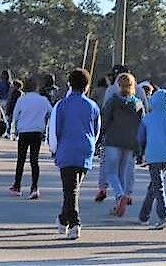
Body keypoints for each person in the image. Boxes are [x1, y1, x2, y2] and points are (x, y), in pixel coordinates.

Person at [49, 68, 101, 240]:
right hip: (85, 149)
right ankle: (63, 219)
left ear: (69, 84)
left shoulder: (61, 105)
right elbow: (97, 130)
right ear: (87, 86)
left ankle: (74, 222)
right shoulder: (93, 106)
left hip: (67, 149)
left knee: (70, 189)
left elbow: (54, 130)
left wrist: (54, 150)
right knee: (73, 188)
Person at [137, 89, 166, 230]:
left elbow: (140, 138)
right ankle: (144, 215)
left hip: (153, 155)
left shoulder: (147, 119)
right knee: (155, 186)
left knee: (158, 186)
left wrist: (141, 151)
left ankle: (164, 215)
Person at [102, 73, 144, 217]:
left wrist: (101, 136)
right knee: (123, 173)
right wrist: (140, 145)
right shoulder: (138, 103)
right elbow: (141, 125)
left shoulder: (113, 101)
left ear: (118, 85)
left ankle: (120, 196)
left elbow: (105, 119)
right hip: (130, 142)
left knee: (111, 172)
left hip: (113, 140)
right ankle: (119, 200)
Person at [8, 77, 52, 199]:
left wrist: (15, 129)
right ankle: (34, 187)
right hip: (37, 131)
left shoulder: (22, 100)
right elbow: (51, 112)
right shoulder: (43, 100)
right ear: (36, 87)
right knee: (34, 160)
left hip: (24, 131)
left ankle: (17, 186)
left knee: (21, 159)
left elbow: (15, 116)